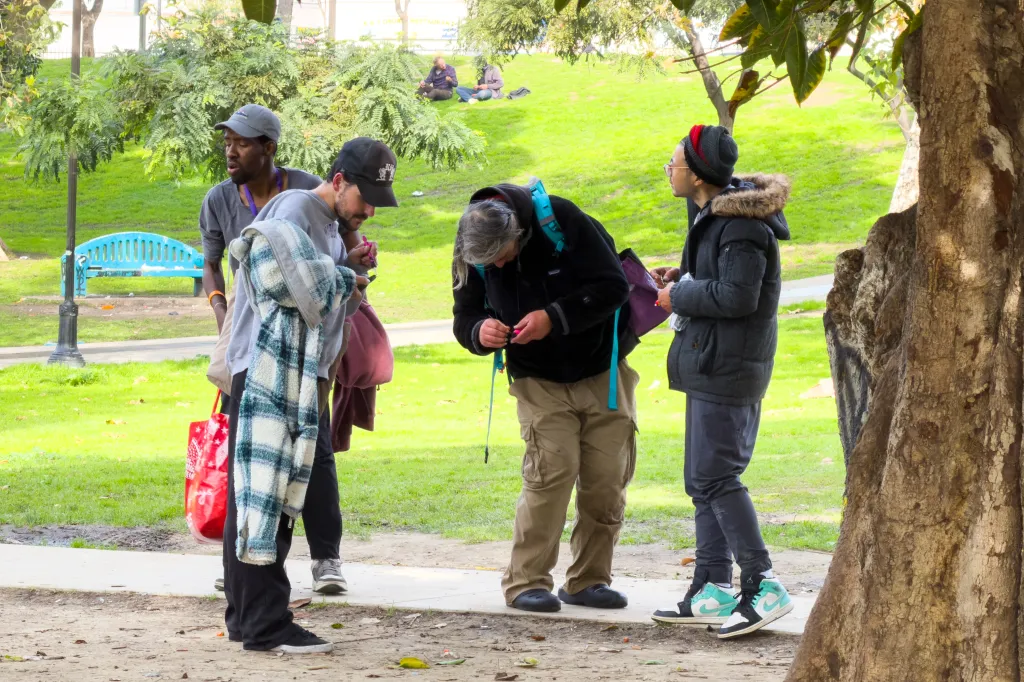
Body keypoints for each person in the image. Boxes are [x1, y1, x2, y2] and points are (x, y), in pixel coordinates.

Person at [223, 137, 398, 654]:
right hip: (270, 373)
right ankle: (266, 624)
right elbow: (299, 292)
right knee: (269, 498)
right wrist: (350, 276)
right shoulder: (296, 209)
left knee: (255, 496)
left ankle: (247, 617)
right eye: (363, 197)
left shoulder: (326, 224)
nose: (368, 210)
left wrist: (350, 267)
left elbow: (325, 292)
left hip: (296, 375)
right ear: (338, 181)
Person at [452, 182, 640, 614]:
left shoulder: (563, 219)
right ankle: (526, 582)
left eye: (502, 255)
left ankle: (589, 580)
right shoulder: (471, 243)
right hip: (536, 378)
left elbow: (613, 286)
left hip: (602, 370)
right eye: (488, 261)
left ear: (519, 233)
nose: (497, 264)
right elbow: (465, 315)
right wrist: (479, 332)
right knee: (552, 471)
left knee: (607, 477)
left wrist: (553, 318)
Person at [198, 105, 353, 598]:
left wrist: (357, 258)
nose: (230, 149)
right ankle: (242, 564)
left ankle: (326, 559)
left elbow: (343, 239)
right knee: (250, 452)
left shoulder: (305, 191)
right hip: (247, 340)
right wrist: (226, 321)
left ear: (269, 146)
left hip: (304, 348)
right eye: (227, 140)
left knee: (313, 447)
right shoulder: (220, 199)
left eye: (242, 141)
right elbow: (212, 265)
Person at [649, 125, 794, 639]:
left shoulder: (743, 227)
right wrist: (679, 280)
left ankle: (764, 584)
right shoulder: (713, 218)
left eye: (674, 162)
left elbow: (738, 297)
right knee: (700, 482)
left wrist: (679, 297)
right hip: (708, 364)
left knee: (717, 478)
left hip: (730, 371)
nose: (669, 170)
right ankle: (712, 587)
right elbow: (714, 281)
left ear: (696, 172)